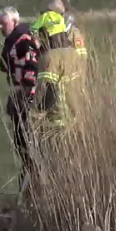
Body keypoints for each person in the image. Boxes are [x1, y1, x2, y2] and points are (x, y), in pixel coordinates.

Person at [0, 7, 42, 175]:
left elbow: (33, 69)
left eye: (3, 23)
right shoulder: (12, 40)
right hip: (17, 97)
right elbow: (4, 65)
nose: (0, 27)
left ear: (15, 21)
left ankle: (33, 176)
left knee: (27, 142)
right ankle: (27, 174)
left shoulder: (24, 39)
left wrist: (26, 96)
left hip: (25, 98)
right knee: (20, 142)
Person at [32, 10, 81, 139]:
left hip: (57, 125)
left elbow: (50, 92)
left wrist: (36, 112)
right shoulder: (74, 54)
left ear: (45, 34)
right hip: (76, 121)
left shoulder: (50, 57)